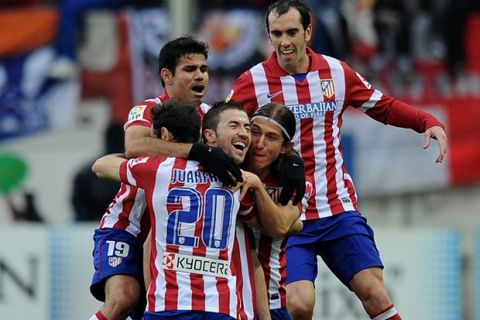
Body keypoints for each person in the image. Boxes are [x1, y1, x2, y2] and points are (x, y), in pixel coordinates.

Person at [227, 1, 448, 319]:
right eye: (276, 34)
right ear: (269, 36)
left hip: (338, 207)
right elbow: (223, 123)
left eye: (292, 32)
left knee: (374, 291)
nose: (284, 41)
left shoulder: (336, 73)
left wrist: (426, 121)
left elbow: (381, 105)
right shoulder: (253, 81)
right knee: (299, 304)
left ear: (308, 32)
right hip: (287, 214)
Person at [88, 36, 240, 320]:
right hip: (131, 226)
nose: (200, 76)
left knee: (157, 309)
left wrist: (290, 160)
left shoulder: (213, 117)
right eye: (190, 69)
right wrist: (197, 151)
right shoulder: (148, 110)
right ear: (167, 76)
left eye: (204, 69)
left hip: (179, 239)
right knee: (124, 299)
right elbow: (134, 146)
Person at [244, 103, 313, 320]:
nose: (259, 144)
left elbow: (281, 226)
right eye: (255, 132)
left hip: (272, 295)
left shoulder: (297, 183)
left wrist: (256, 186)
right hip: (225, 294)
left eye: (271, 137)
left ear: (286, 147)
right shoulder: (228, 168)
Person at [71, 121, 124, 221]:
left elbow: (78, 202)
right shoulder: (134, 169)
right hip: (123, 223)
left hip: (92, 223)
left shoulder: (88, 169)